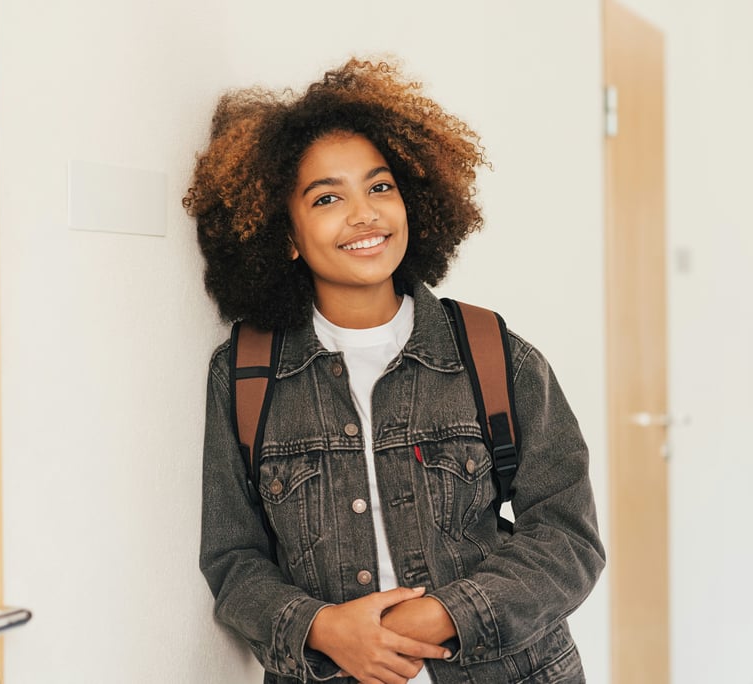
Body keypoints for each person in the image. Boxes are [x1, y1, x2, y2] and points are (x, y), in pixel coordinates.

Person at [185, 58, 605, 684]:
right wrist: (322, 630)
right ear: (287, 235)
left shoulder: (491, 352)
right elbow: (234, 560)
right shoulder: (245, 374)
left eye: (380, 187)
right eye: (328, 197)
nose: (364, 214)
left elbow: (568, 539)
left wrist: (443, 614)